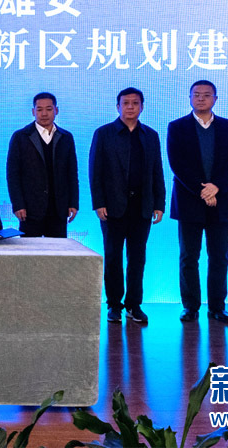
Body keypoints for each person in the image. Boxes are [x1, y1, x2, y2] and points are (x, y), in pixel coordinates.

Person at [167, 81, 228, 325]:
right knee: (189, 257)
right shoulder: (177, 127)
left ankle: (218, 307)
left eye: (206, 95)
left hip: (222, 200)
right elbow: (177, 163)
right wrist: (203, 191)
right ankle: (190, 307)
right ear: (190, 98)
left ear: (215, 99)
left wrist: (216, 187)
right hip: (189, 201)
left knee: (219, 257)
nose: (201, 99)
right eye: (196, 95)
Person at [89, 87, 165, 325]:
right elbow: (95, 171)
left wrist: (159, 203)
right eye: (126, 103)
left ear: (142, 106)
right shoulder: (104, 133)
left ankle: (134, 304)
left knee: (137, 258)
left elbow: (157, 171)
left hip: (142, 206)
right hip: (112, 207)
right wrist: (99, 202)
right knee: (113, 256)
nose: (130, 107)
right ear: (118, 106)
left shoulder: (150, 135)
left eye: (135, 103)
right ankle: (114, 305)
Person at [6, 92, 79, 237]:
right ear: (33, 112)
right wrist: (18, 204)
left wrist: (73, 203)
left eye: (49, 109)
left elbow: (72, 173)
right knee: (30, 250)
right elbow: (13, 174)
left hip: (58, 209)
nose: (44, 114)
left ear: (56, 110)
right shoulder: (20, 137)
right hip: (30, 210)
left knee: (58, 250)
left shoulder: (66, 137)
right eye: (39, 109)